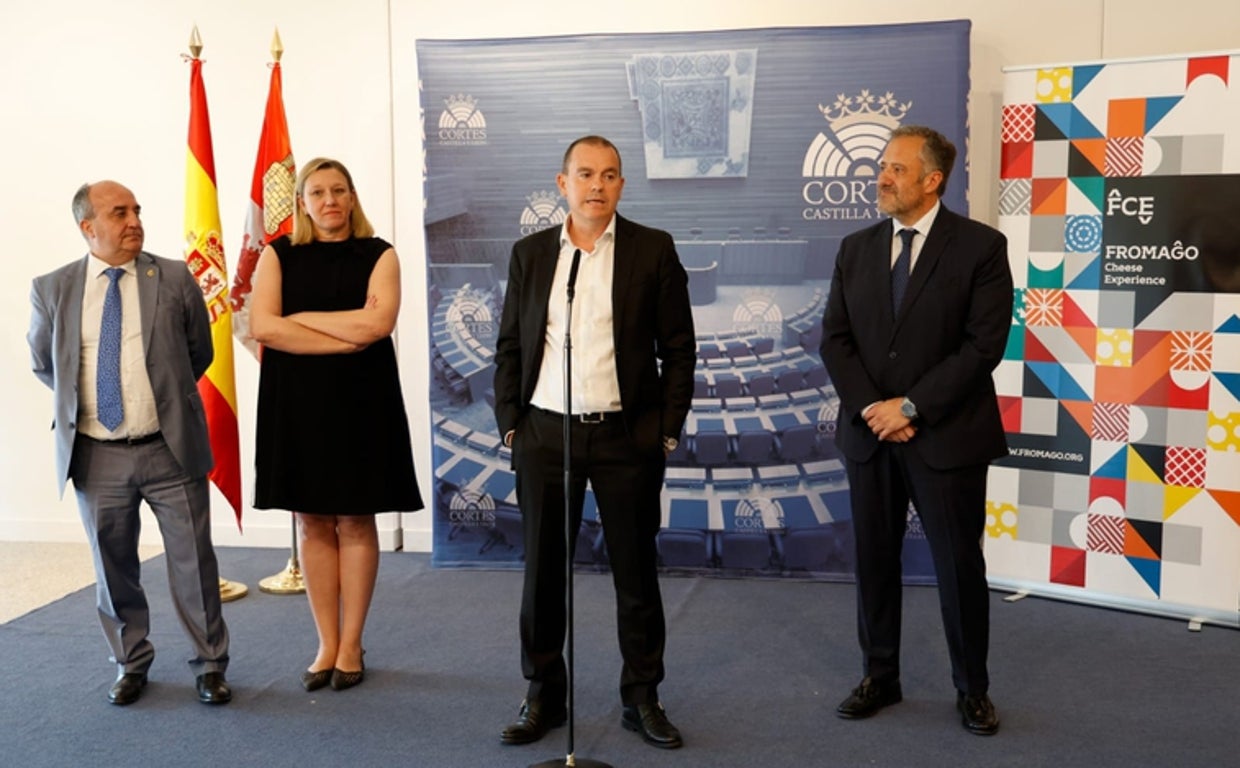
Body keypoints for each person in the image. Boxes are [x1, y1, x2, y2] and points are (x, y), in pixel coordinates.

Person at [492, 135, 696, 749]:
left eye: (609, 175)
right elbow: (511, 345)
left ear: (622, 186)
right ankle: (542, 695)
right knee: (542, 576)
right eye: (585, 174)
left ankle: (643, 696)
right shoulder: (531, 254)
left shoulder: (652, 249)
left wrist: (663, 431)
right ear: (563, 184)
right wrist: (512, 425)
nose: (597, 186)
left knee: (635, 575)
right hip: (544, 435)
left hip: (624, 438)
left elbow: (679, 349)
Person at [818, 125, 1013, 735]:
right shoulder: (854, 248)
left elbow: (983, 346)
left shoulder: (982, 247)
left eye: (896, 169)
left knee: (957, 567)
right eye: (882, 165)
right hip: (870, 436)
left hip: (946, 437)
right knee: (875, 562)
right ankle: (880, 675)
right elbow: (835, 340)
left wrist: (910, 407)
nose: (882, 177)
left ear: (932, 180)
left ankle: (972, 689)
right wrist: (873, 409)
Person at [28, 180, 232, 706]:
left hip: (170, 448)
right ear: (87, 227)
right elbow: (45, 364)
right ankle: (131, 662)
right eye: (119, 213)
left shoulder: (174, 277)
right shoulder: (52, 288)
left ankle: (210, 664)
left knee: (193, 561)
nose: (134, 221)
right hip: (96, 454)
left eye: (136, 210)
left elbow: (199, 353)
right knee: (112, 565)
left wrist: (160, 403)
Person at [249, 157, 423, 693]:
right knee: (312, 521)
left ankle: (352, 643)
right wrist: (342, 338)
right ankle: (326, 643)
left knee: (355, 519)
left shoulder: (379, 254)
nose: (330, 200)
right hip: (297, 404)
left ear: (352, 197)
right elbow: (263, 327)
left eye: (339, 190)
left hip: (361, 402)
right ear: (302, 203)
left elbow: (377, 324)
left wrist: (300, 320)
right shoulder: (277, 254)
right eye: (318, 192)